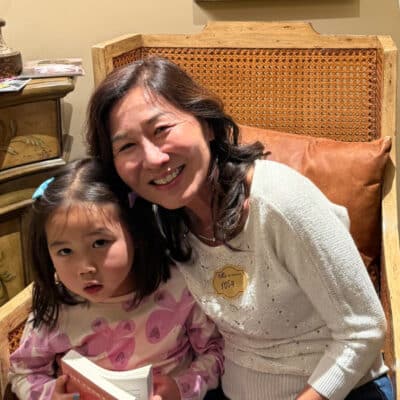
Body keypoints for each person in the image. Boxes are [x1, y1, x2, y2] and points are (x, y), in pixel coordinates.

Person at [85, 56, 393, 400]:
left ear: (207, 125)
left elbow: (363, 330)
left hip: (340, 390)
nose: (154, 159)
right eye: (127, 146)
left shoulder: (279, 201)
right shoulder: (160, 220)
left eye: (162, 130)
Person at [8, 158, 224, 400]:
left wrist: (181, 389)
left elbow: (216, 352)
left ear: (135, 233)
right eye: (65, 251)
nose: (85, 268)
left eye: (100, 243)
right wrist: (49, 396)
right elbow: (23, 372)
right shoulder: (57, 308)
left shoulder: (177, 286)